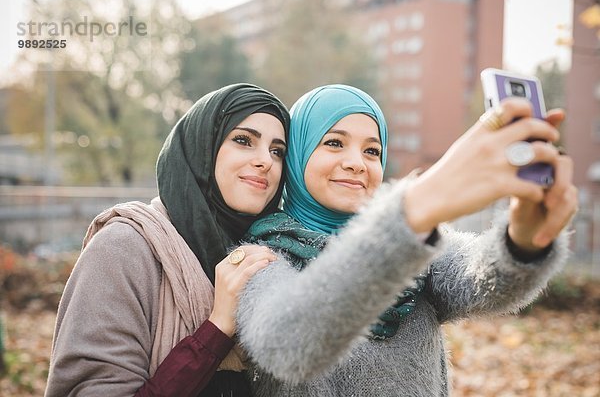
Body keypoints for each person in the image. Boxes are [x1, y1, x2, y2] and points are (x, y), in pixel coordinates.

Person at [235, 84, 577, 396]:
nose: (356, 163)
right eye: (334, 143)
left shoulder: (418, 241)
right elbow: (286, 344)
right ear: (297, 153)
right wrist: (415, 208)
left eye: (371, 151)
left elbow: (482, 279)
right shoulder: (263, 254)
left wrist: (523, 241)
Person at [45, 83, 290, 397]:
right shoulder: (124, 249)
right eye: (243, 140)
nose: (265, 161)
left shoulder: (275, 256)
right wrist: (217, 329)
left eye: (277, 151)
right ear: (204, 147)